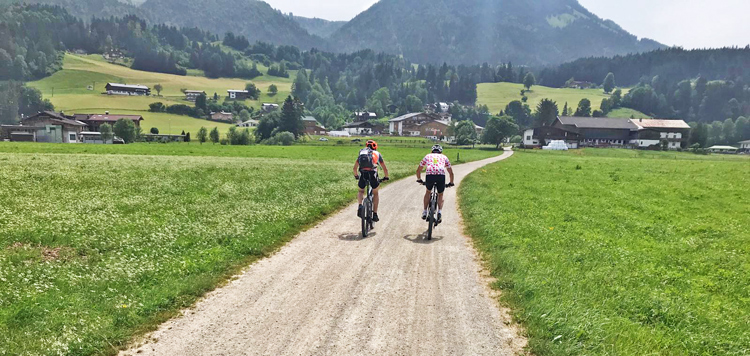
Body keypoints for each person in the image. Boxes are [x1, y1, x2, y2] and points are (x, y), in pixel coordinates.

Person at [416, 144, 455, 223]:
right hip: (441, 175)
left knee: (428, 192)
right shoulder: (444, 157)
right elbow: (451, 172)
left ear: (431, 151)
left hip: (430, 175)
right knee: (440, 194)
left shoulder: (427, 156)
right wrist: (451, 182)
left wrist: (419, 179)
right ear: (441, 151)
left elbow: (418, 170)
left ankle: (424, 212)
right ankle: (439, 212)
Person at [353, 140, 389, 222]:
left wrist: (356, 176)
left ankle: (360, 206)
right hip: (373, 174)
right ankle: (375, 214)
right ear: (375, 147)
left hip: (363, 173)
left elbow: (355, 168)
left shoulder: (362, 153)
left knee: (361, 191)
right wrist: (386, 177)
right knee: (375, 193)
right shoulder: (377, 154)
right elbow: (384, 168)